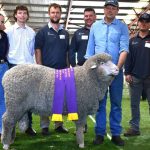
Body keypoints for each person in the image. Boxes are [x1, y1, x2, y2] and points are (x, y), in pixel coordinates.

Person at [85, 0, 129, 146]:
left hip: (116, 72)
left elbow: (124, 49)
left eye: (113, 8)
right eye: (108, 8)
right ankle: (100, 133)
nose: (110, 10)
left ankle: (116, 133)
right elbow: (90, 52)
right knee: (100, 104)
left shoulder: (122, 27)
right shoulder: (95, 27)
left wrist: (117, 67)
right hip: (98, 74)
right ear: (104, 9)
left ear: (117, 10)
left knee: (116, 103)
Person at [35, 3, 69, 136]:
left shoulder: (65, 33)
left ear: (60, 14)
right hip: (46, 72)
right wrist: (40, 68)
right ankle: (44, 126)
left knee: (59, 99)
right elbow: (38, 51)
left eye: (57, 12)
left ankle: (58, 124)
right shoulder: (42, 32)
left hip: (61, 72)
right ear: (49, 14)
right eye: (53, 12)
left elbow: (66, 53)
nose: (55, 15)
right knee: (45, 99)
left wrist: (67, 69)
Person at [5, 5, 36, 136]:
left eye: (24, 13)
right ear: (15, 15)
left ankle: (29, 126)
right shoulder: (9, 31)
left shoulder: (32, 32)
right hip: (13, 67)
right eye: (20, 13)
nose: (22, 15)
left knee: (29, 98)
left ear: (27, 16)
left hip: (28, 68)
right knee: (13, 99)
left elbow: (33, 51)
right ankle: (10, 128)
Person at [124, 13, 150, 137]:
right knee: (134, 104)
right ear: (138, 23)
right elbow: (128, 58)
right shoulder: (132, 40)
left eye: (147, 21)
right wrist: (127, 73)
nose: (144, 23)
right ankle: (134, 128)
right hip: (134, 77)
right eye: (142, 21)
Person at [0, 13, 9, 139]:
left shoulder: (5, 36)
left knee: (3, 98)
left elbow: (6, 51)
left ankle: (2, 129)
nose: (3, 24)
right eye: (1, 22)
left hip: (3, 66)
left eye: (2, 22)